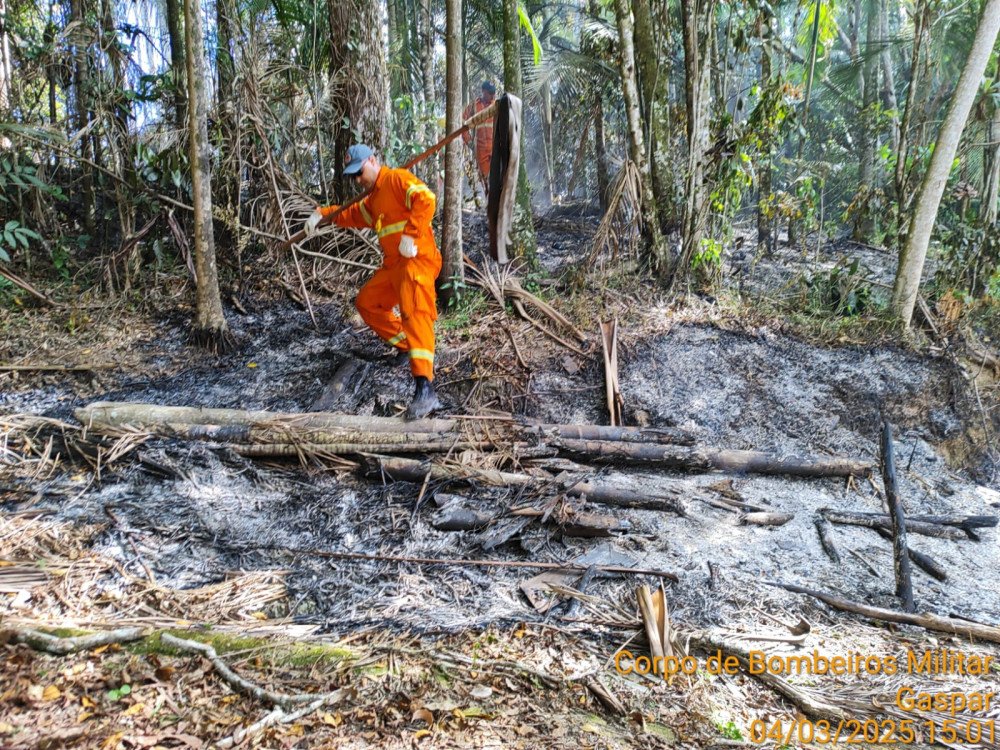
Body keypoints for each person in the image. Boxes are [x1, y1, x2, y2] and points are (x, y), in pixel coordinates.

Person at [303, 144, 443, 420]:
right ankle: (405, 346)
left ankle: (425, 389)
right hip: (393, 265)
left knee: (415, 315)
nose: (358, 180)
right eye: (353, 176)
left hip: (416, 262)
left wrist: (411, 235)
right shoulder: (373, 198)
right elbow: (352, 214)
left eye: (360, 172)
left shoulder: (396, 179)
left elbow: (426, 199)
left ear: (372, 160)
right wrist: (322, 214)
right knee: (367, 303)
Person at [463, 81, 496, 194]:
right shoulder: (473, 106)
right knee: (485, 178)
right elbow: (463, 124)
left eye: (493, 93)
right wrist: (469, 142)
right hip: (480, 149)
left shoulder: (496, 105)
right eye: (489, 93)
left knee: (498, 177)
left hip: (495, 147)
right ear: (483, 91)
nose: (492, 96)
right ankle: (489, 203)